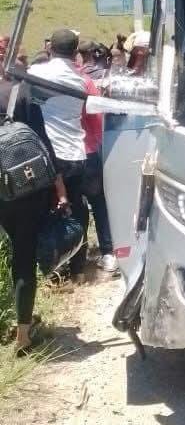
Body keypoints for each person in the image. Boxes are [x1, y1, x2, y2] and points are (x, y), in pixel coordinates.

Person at [0, 55, 67, 351]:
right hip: (22, 190)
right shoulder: (20, 92)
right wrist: (60, 188)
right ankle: (24, 336)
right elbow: (42, 144)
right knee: (23, 257)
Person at [27, 28, 90, 277]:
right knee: (77, 207)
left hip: (50, 155)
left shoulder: (38, 73)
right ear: (75, 53)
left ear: (49, 48)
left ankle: (55, 267)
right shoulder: (80, 79)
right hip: (77, 151)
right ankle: (78, 265)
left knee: (50, 211)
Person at [77, 41, 117, 274]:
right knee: (99, 203)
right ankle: (108, 252)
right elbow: (98, 119)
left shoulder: (44, 79)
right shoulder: (86, 82)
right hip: (89, 150)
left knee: (73, 205)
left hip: (59, 155)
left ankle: (76, 259)